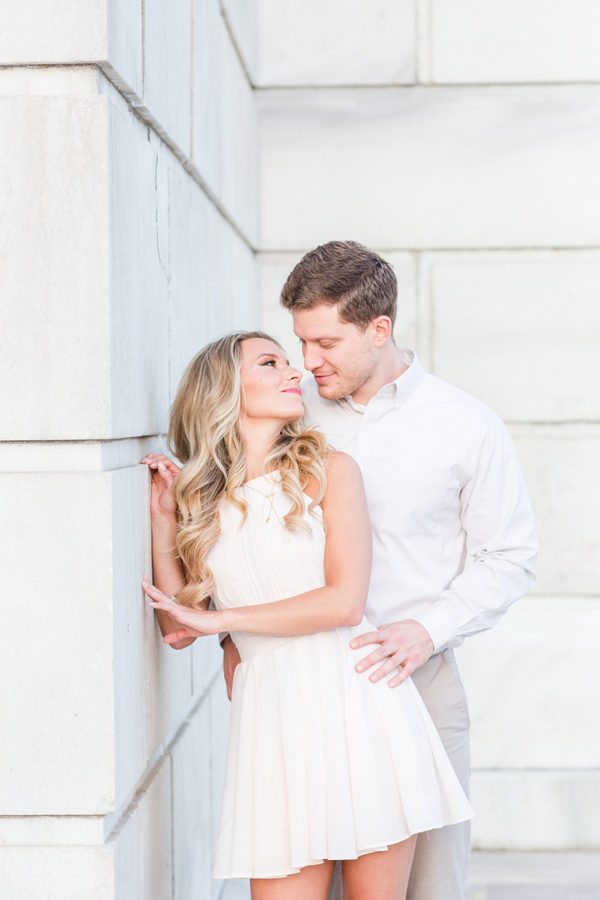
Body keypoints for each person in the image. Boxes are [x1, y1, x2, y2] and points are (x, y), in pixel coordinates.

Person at [238, 240, 535, 900]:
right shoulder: (292, 411)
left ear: (379, 329)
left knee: (426, 889)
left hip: (414, 681)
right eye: (299, 342)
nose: (307, 362)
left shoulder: (465, 425)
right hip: (303, 691)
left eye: (326, 343)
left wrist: (426, 631)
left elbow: (510, 557)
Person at [141, 331, 473, 900]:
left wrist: (224, 626)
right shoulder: (200, 498)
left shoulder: (330, 470)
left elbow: (344, 603)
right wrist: (164, 519)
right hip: (270, 720)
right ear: (224, 387)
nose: (294, 372)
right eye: (271, 363)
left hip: (359, 702)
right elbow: (177, 626)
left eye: (289, 362)